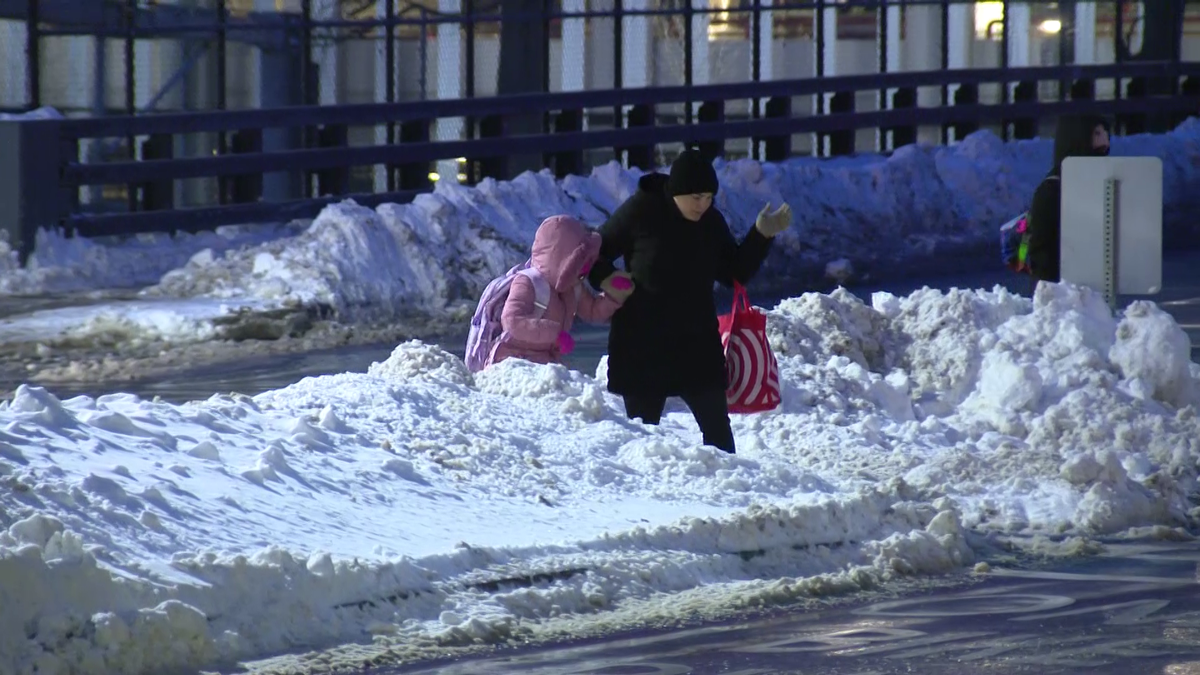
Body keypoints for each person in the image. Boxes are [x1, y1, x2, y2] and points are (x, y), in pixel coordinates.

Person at [586, 149, 793, 454]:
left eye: (709, 197)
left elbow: (734, 271)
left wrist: (761, 234)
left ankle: (729, 495)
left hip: (697, 343)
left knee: (720, 437)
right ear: (677, 192)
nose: (704, 204)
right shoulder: (642, 210)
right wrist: (607, 278)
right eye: (697, 197)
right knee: (645, 443)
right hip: (644, 343)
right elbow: (592, 252)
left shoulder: (710, 222)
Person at [492, 215, 634, 367]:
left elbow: (592, 311)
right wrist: (555, 335)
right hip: (510, 360)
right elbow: (511, 321)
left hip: (544, 361)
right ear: (563, 260)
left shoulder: (572, 287)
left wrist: (614, 297)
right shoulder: (528, 282)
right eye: (580, 261)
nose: (586, 268)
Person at [1026, 114, 1112, 284]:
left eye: (1106, 133)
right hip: (1062, 293)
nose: (1105, 141)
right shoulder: (1052, 189)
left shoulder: (1101, 183)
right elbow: (1041, 249)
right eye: (1096, 133)